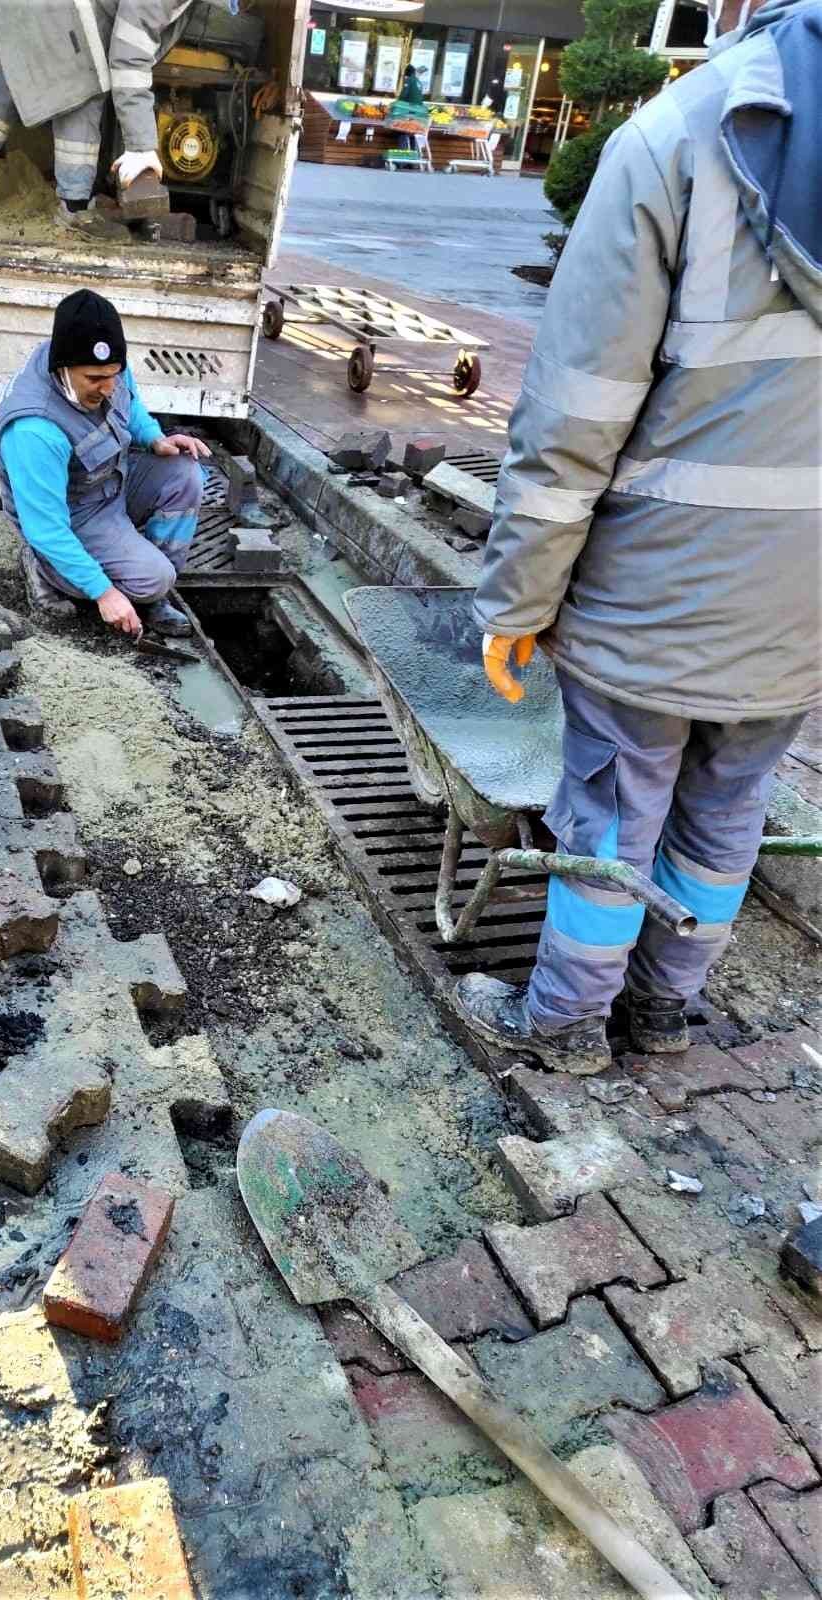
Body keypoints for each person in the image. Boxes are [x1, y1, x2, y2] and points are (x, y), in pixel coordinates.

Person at [453, 0, 822, 1076]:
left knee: (613, 817)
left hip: (654, 598)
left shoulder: (675, 140)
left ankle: (567, 1025)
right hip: (798, 622)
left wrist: (516, 606)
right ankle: (666, 1009)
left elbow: (573, 420)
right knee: (725, 814)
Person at [0, 289, 210, 638]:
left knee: (186, 472)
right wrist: (105, 593)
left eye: (113, 375)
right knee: (154, 578)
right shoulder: (35, 430)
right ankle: (45, 567)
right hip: (76, 511)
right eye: (94, 379)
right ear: (63, 369)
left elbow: (131, 406)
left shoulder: (106, 367)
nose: (108, 387)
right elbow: (47, 526)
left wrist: (155, 439)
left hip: (111, 480)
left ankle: (149, 592)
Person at [0, 0, 201, 218]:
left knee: (18, 73)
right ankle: (75, 207)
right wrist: (141, 146)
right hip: (64, 12)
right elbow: (128, 59)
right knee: (82, 89)